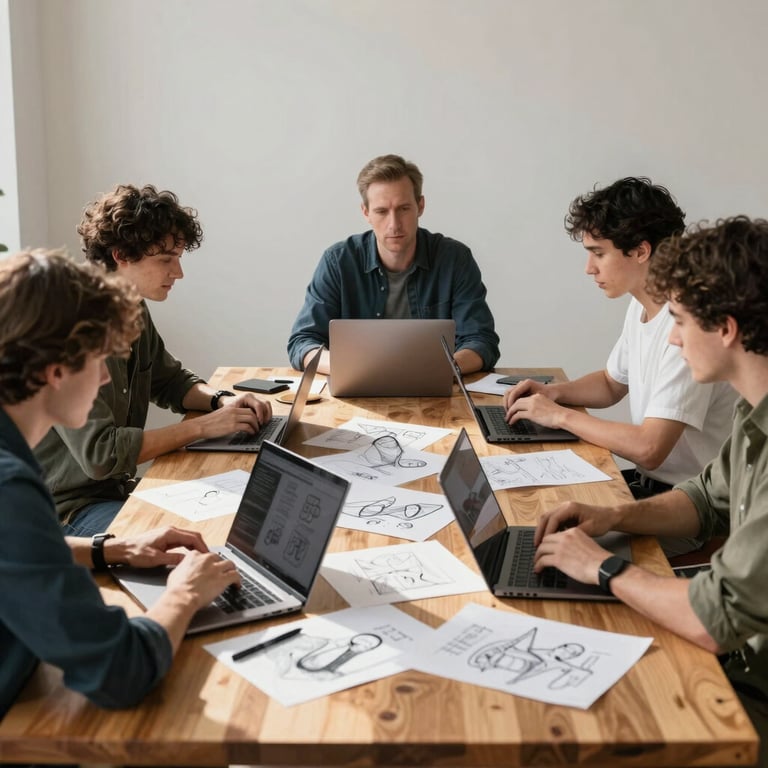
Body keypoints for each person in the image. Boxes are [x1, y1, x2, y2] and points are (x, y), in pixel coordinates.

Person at [532, 216, 768, 767]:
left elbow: (713, 620)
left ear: (727, 328)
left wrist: (604, 569)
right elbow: (706, 500)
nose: (671, 336)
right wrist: (611, 515)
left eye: (681, 320)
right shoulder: (753, 415)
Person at [0, 249, 241, 723]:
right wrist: (185, 593)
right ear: (56, 370)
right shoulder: (10, 488)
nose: (108, 376)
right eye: (99, 360)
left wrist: (111, 549)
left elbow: (15, 554)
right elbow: (119, 669)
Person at [34, 184, 273, 537]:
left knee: (244, 516)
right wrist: (204, 427)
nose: (178, 273)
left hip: (114, 492)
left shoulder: (131, 305)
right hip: (67, 511)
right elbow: (102, 455)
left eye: (178, 258)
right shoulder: (69, 325)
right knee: (192, 546)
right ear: (121, 255)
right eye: (165, 259)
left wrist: (222, 400)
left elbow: (168, 379)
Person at [503, 178, 736, 529]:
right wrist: (553, 393)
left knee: (552, 541)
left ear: (641, 251)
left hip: (693, 507)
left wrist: (560, 416)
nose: (589, 268)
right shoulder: (641, 304)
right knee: (532, 511)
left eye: (599, 253)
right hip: (653, 488)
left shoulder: (689, 325)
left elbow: (649, 449)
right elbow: (613, 383)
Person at [287, 153, 500, 375]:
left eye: (404, 209)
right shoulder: (338, 262)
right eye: (381, 211)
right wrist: (352, 368)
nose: (394, 224)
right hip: (355, 389)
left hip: (436, 389)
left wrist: (438, 370)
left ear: (421, 206)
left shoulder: (455, 259)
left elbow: (481, 341)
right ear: (366, 212)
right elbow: (303, 342)